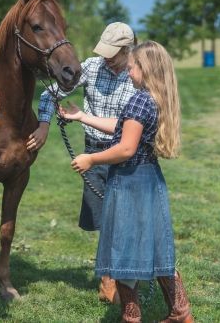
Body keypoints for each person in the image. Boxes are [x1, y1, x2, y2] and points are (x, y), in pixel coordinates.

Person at [61, 40, 194, 323]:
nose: (129, 72)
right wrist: (83, 116)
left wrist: (91, 159)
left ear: (144, 69)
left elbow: (125, 147)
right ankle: (180, 312)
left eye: (132, 67)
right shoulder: (153, 99)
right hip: (149, 180)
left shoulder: (138, 100)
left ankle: (130, 318)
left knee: (122, 250)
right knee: (156, 248)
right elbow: (123, 126)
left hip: (130, 182)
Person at [27, 22, 137, 303]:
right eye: (105, 51)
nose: (107, 58)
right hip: (94, 153)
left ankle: (119, 279)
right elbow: (50, 94)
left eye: (114, 53)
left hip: (125, 153)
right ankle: (109, 278)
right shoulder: (92, 67)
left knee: (123, 219)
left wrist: (81, 117)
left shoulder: (137, 74)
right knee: (103, 220)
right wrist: (43, 125)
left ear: (128, 49)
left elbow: (128, 127)